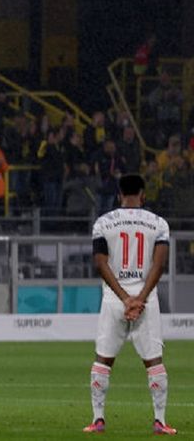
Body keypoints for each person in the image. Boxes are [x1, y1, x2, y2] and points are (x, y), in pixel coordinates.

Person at [84, 175, 175, 435]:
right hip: (146, 298)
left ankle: (98, 419)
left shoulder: (104, 222)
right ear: (143, 194)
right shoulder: (158, 223)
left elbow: (100, 263)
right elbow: (159, 265)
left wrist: (124, 298)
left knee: (104, 359)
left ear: (119, 194)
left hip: (115, 298)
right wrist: (140, 298)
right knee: (154, 360)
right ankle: (160, 421)